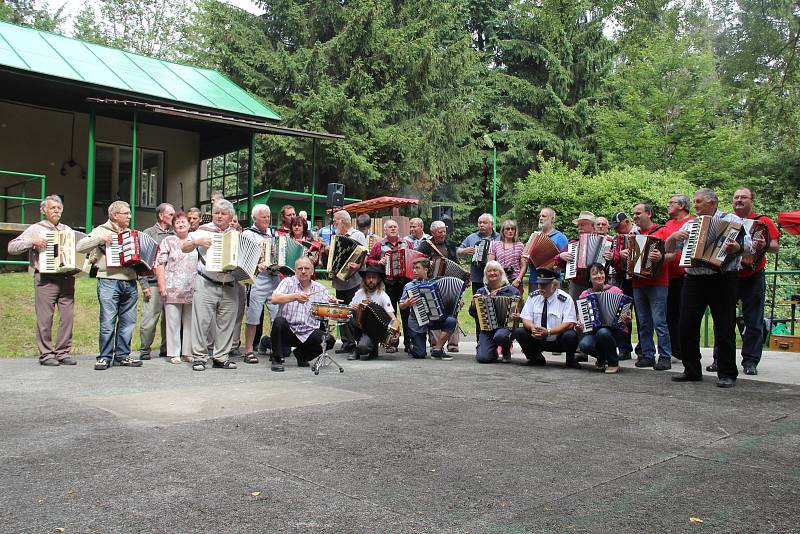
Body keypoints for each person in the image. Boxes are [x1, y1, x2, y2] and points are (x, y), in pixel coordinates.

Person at [666, 188, 751, 388]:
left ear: (712, 203)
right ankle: (692, 369)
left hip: (723, 278)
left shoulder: (732, 220)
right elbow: (669, 250)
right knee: (686, 325)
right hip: (694, 280)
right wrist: (672, 237)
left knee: (724, 326)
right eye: (694, 202)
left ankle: (727, 372)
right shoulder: (690, 224)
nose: (694, 205)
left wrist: (736, 248)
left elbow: (748, 246)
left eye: (698, 202)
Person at [707, 188, 780, 376]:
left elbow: (775, 247)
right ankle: (720, 359)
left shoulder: (763, 221)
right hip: (729, 275)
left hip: (753, 276)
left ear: (751, 201)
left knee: (753, 320)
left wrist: (764, 244)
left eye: (743, 197)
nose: (739, 200)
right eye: (736, 197)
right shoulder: (726, 220)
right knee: (723, 320)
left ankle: (750, 361)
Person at [7, 195, 78, 366]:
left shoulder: (66, 229)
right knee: (45, 319)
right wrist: (32, 242)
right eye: (53, 208)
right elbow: (12, 247)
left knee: (67, 318)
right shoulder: (36, 229)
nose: (56, 211)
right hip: (46, 278)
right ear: (44, 211)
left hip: (66, 277)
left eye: (59, 208)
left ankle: (62, 352)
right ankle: (46, 354)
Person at [76, 200, 143, 370]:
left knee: (128, 322)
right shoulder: (101, 230)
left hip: (130, 282)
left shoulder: (131, 234)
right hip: (108, 281)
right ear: (115, 215)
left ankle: (122, 355)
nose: (130, 216)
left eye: (129, 213)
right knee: (107, 321)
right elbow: (80, 247)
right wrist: (100, 238)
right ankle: (104, 357)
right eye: (126, 213)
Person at [181, 199, 240, 371]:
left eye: (223, 213)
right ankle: (199, 357)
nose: (219, 216)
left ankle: (221, 357)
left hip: (230, 284)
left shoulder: (236, 234)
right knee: (201, 322)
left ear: (231, 217)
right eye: (216, 213)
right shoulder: (202, 230)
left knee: (227, 322)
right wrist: (196, 242)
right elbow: (184, 247)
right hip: (206, 282)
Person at [621, 203, 672, 370]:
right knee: (643, 322)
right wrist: (625, 255)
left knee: (659, 321)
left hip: (658, 283)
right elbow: (628, 260)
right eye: (634, 213)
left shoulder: (663, 231)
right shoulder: (633, 235)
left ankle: (665, 356)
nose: (635, 216)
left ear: (649, 214)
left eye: (638, 213)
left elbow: (676, 254)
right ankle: (647, 355)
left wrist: (662, 256)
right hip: (637, 282)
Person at [269, 257, 336, 372]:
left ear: (312, 271)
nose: (303, 271)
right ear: (295, 271)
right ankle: (277, 359)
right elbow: (274, 299)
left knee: (329, 340)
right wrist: (295, 296)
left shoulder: (321, 289)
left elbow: (326, 312)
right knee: (279, 321)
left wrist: (332, 302)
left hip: (308, 331)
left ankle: (302, 355)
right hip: (289, 330)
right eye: (300, 268)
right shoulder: (288, 282)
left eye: (307, 268)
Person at [513, 267, 579, 368]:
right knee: (519, 332)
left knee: (571, 335)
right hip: (537, 338)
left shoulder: (565, 299)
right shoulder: (533, 297)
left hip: (557, 339)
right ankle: (535, 358)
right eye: (539, 284)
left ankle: (570, 360)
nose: (540, 288)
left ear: (554, 285)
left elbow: (569, 323)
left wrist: (548, 332)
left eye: (544, 285)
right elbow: (525, 318)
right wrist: (533, 328)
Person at [155, 211, 198, 364]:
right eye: (177, 222)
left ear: (189, 224)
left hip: (192, 287)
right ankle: (173, 353)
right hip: (172, 287)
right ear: (173, 226)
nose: (180, 224)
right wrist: (162, 285)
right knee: (172, 322)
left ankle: (188, 352)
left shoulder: (195, 239)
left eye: (183, 221)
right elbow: (160, 263)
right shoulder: (168, 241)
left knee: (190, 321)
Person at [366, 219, 413, 354]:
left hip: (404, 283)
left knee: (406, 314)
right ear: (385, 230)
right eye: (390, 227)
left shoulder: (407, 243)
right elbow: (369, 259)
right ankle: (391, 343)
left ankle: (408, 343)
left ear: (398, 229)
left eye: (395, 227)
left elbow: (414, 258)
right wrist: (379, 261)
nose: (393, 229)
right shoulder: (379, 245)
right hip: (388, 283)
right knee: (390, 314)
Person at [241, 204, 280, 364]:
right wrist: (256, 264)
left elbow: (279, 253)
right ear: (255, 218)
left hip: (274, 279)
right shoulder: (248, 234)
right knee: (253, 316)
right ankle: (248, 350)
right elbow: (242, 258)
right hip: (258, 279)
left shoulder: (273, 234)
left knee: (277, 315)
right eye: (264, 217)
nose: (267, 219)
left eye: (268, 216)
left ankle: (275, 348)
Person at [398, 258, 458, 360]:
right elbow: (401, 305)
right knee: (420, 354)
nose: (414, 271)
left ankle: (437, 350)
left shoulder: (436, 283)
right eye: (413, 268)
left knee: (451, 321)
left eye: (417, 268)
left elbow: (448, 299)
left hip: (433, 319)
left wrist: (458, 302)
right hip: (417, 322)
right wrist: (407, 303)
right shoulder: (409, 286)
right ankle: (413, 346)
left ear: (426, 270)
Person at [416, 220, 461, 352]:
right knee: (434, 311)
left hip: (450, 284)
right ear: (433, 232)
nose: (442, 234)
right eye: (439, 232)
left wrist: (463, 276)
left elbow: (456, 263)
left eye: (444, 231)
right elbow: (417, 261)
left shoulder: (450, 244)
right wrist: (428, 263)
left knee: (453, 311)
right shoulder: (425, 245)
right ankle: (436, 342)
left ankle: (453, 343)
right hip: (432, 283)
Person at [576, 263, 629, 374]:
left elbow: (625, 316)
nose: (599, 276)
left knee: (603, 332)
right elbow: (581, 320)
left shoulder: (615, 291)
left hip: (615, 332)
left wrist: (626, 317)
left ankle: (613, 363)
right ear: (589, 278)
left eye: (601, 273)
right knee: (584, 345)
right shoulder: (585, 295)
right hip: (593, 332)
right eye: (594, 274)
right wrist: (581, 325)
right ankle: (602, 358)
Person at [138, 202, 175, 360]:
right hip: (152, 284)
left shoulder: (174, 235)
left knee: (170, 320)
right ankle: (145, 349)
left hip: (172, 285)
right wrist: (144, 285)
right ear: (161, 216)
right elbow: (141, 262)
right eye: (170, 215)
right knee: (149, 319)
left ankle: (166, 348)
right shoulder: (148, 233)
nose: (173, 218)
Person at [329, 210, 368, 354]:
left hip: (354, 280)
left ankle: (357, 341)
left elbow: (364, 254)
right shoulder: (336, 237)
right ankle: (347, 342)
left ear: (342, 221)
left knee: (353, 310)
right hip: (339, 281)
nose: (334, 223)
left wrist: (358, 266)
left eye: (335, 221)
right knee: (341, 311)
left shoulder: (357, 235)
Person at [469, 260, 521, 363]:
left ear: (501, 273)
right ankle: (492, 352)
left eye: (495, 270)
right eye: (489, 271)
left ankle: (506, 350)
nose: (492, 273)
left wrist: (518, 316)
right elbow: (473, 314)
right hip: (487, 328)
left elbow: (521, 312)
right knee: (483, 358)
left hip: (506, 327)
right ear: (485, 274)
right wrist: (473, 304)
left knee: (500, 336)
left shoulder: (512, 291)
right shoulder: (481, 291)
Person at [458, 213, 500, 338]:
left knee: (496, 309)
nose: (481, 225)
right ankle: (480, 338)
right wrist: (464, 251)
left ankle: (495, 338)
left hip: (495, 280)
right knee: (479, 309)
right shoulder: (472, 237)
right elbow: (457, 251)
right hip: (477, 279)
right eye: (479, 222)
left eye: (484, 222)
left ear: (491, 224)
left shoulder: (499, 237)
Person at [663, 194, 693, 362]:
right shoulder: (668, 225)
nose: (668, 205)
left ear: (681, 205)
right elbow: (666, 249)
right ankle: (676, 349)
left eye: (671, 203)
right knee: (670, 316)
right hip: (669, 277)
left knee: (685, 315)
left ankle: (686, 349)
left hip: (685, 276)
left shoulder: (691, 223)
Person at [348, 264, 398, 360]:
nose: (371, 280)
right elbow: (349, 308)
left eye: (374, 277)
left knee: (363, 348)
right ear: (365, 279)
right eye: (368, 277)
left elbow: (392, 316)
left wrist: (397, 331)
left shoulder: (383, 295)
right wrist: (353, 308)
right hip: (359, 327)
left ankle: (370, 346)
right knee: (349, 317)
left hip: (375, 331)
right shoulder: (359, 293)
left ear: (379, 280)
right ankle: (355, 348)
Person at [516, 207, 569, 293]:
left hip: (552, 281)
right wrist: (526, 258)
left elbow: (566, 263)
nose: (540, 218)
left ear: (552, 219)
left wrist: (556, 266)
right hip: (534, 280)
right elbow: (525, 255)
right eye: (540, 216)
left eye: (544, 216)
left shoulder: (560, 237)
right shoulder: (534, 236)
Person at [608, 211, 637, 360]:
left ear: (626, 221)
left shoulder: (638, 232)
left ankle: (643, 349)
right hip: (622, 279)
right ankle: (624, 348)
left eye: (618, 226)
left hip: (638, 279)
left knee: (642, 315)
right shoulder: (615, 239)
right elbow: (614, 261)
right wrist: (617, 255)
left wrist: (631, 252)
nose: (616, 230)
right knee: (623, 314)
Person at [558, 211, 597, 303]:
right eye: (578, 226)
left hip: (597, 283)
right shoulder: (573, 244)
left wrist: (611, 257)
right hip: (577, 284)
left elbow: (614, 262)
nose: (579, 228)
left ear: (592, 226)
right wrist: (561, 256)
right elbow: (558, 262)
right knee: (575, 310)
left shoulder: (604, 242)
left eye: (583, 225)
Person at [488, 220, 524, 295]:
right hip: (499, 281)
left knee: (516, 305)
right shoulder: (495, 244)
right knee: (500, 304)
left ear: (515, 231)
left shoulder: (520, 245)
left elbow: (524, 265)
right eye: (507, 229)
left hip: (515, 281)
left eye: (512, 229)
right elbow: (490, 264)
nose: (510, 231)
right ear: (503, 231)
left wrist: (519, 279)